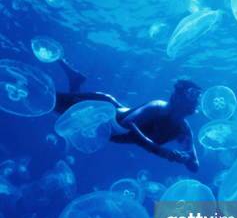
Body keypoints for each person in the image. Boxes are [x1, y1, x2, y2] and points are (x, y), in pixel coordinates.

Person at [54, 60, 201, 172]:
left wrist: (186, 158)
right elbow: (128, 125)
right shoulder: (157, 107)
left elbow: (195, 166)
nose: (196, 102)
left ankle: (76, 81)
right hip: (106, 111)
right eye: (191, 96)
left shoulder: (184, 130)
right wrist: (165, 153)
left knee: (72, 113)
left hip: (110, 127)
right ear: (175, 97)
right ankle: (72, 81)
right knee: (54, 102)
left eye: (197, 98)